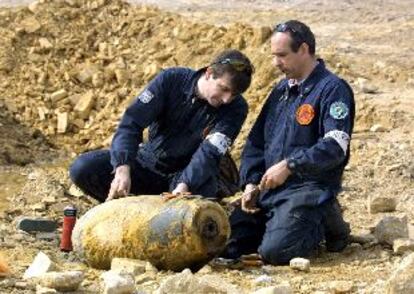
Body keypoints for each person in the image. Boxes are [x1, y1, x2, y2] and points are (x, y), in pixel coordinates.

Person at [222, 20, 355, 265]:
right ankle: (288, 224)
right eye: (274, 56)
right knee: (223, 243)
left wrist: (290, 165)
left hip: (307, 188)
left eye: (282, 55)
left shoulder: (332, 89)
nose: (275, 63)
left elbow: (335, 146)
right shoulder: (281, 90)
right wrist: (251, 182)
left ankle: (326, 217)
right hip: (270, 191)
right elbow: (256, 142)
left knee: (276, 253)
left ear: (303, 49)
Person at [69, 49, 254, 202]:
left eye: (234, 94)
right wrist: (122, 167)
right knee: (83, 168)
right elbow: (131, 123)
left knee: (199, 205)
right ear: (209, 73)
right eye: (224, 89)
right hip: (147, 163)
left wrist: (184, 185)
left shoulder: (236, 109)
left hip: (188, 173)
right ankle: (126, 208)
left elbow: (210, 152)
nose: (226, 99)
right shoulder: (171, 80)